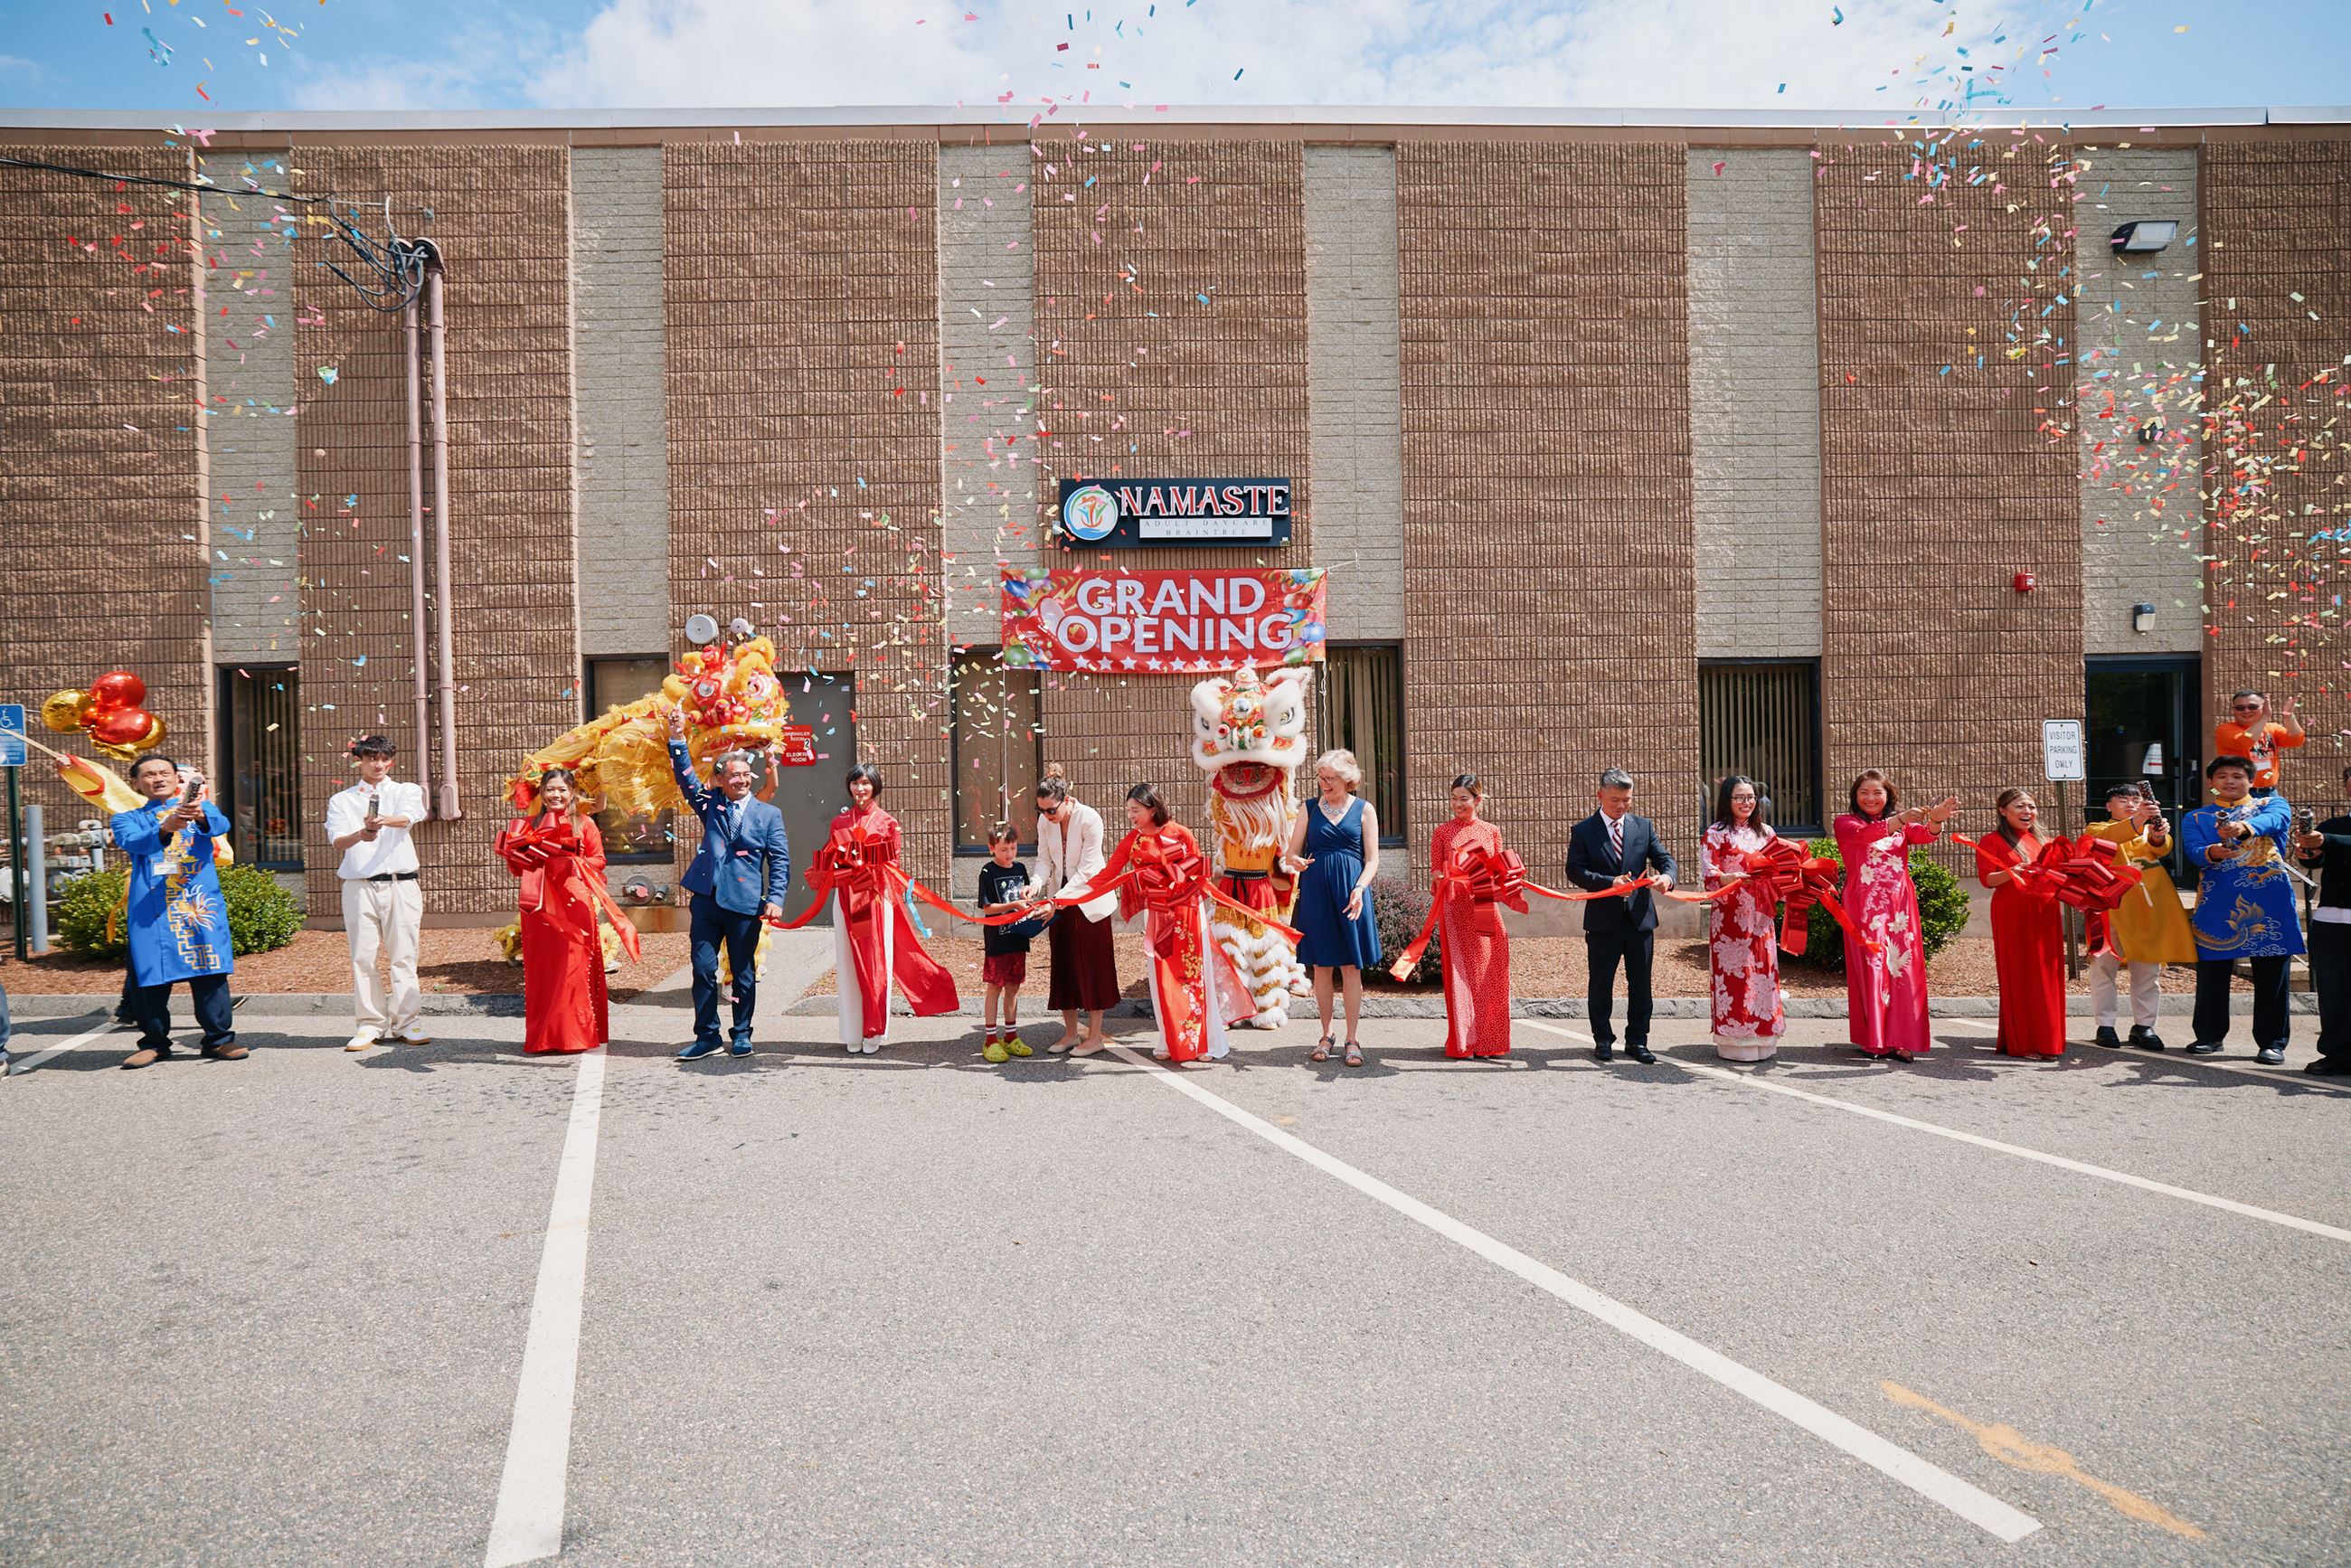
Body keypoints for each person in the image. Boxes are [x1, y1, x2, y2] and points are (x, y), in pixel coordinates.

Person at [1056, 783, 1261, 1064]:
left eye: (1135, 810)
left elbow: (1201, 872)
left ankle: (1204, 1043)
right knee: (1163, 979)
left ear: (1153, 808)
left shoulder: (1180, 833)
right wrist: (1069, 897)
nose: (1131, 815)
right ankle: (1169, 1038)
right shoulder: (1132, 841)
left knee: (1192, 978)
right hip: (1157, 915)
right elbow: (1108, 875)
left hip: (1188, 912)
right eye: (1129, 810)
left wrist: (1181, 885)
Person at [805, 762, 957, 1054]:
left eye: (865, 783)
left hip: (875, 899)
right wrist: (838, 870)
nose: (860, 789)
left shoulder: (888, 823)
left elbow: (893, 865)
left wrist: (869, 873)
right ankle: (852, 1030)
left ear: (875, 786)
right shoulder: (839, 824)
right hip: (847, 900)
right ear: (849, 787)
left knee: (877, 963)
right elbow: (829, 860)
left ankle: (875, 1029)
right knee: (848, 964)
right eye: (855, 783)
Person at [666, 706, 791, 1061]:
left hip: (746, 903)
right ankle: (707, 1036)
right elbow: (686, 777)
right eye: (733, 775)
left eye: (745, 774)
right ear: (721, 779)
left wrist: (776, 896)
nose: (741, 780)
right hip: (707, 900)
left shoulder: (769, 815)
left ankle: (742, 1034)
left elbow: (779, 860)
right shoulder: (710, 804)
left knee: (742, 973)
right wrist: (677, 737)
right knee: (704, 969)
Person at [111, 753, 247, 1069]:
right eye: (148, 775)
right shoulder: (126, 818)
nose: (157, 778)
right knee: (151, 976)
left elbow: (220, 826)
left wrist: (198, 817)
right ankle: (154, 1043)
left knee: (210, 972)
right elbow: (136, 842)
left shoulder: (201, 807)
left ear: (176, 779)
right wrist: (165, 827)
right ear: (136, 783)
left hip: (198, 904)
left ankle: (219, 1040)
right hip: (152, 911)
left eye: (164, 773)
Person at [2183, 756, 2303, 1063]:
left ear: (2251, 781)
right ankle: (2209, 1036)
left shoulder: (2272, 805)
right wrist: (2212, 851)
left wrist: (2243, 826)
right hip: (2217, 901)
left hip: (2269, 902)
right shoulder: (2196, 817)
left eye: (2238, 776)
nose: (2230, 781)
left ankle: (2272, 1041)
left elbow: (2273, 823)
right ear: (2211, 782)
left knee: (2272, 972)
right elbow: (2194, 850)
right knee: (2212, 972)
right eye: (2222, 776)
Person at [1835, 770, 1959, 1063]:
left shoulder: (1902, 827)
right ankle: (1874, 1039)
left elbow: (1925, 835)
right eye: (1864, 792)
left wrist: (1936, 819)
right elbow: (1866, 836)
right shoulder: (1846, 823)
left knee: (1902, 968)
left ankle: (1901, 1038)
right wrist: (1901, 820)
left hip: (1899, 905)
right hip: (1865, 904)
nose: (1870, 798)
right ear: (1855, 796)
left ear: (1888, 795)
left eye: (1877, 792)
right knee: (1874, 966)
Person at [1564, 767, 1678, 1065]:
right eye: (1615, 800)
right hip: (1603, 920)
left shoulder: (1643, 827)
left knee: (1641, 983)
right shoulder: (1584, 831)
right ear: (1600, 795)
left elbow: (1664, 858)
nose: (1621, 806)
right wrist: (1608, 882)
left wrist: (1667, 877)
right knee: (1601, 982)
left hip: (1640, 919)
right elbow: (1574, 870)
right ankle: (1603, 1039)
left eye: (1627, 800)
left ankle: (1637, 1040)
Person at [497, 769, 614, 1056]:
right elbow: (516, 869)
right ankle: (544, 1037)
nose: (556, 795)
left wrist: (576, 862)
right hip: (537, 908)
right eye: (550, 789)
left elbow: (599, 859)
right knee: (542, 973)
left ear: (572, 793)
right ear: (542, 793)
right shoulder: (525, 826)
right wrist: (515, 853)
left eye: (562, 789)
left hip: (574, 903)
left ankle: (574, 1035)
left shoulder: (584, 823)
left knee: (572, 970)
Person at [325, 734, 430, 1053]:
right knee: (363, 957)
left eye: (384, 758)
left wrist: (380, 821)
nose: (379, 764)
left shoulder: (405, 791)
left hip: (402, 883)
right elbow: (338, 841)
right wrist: (362, 833)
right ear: (360, 760)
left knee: (404, 956)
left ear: (392, 760)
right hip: (359, 886)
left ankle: (407, 1022)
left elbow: (412, 816)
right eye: (372, 758)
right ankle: (369, 1024)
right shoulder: (341, 800)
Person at [1280, 748, 1383, 1068]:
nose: (1323, 783)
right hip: (1316, 894)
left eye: (1330, 778)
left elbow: (1372, 859)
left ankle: (1353, 1039)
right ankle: (1326, 1034)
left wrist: (1360, 888)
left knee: (1351, 967)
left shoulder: (1365, 810)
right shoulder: (1308, 809)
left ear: (1347, 779)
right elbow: (1290, 853)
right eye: (1320, 777)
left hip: (1352, 895)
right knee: (1321, 967)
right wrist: (1293, 860)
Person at [2080, 783, 2196, 1050]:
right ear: (2109, 806)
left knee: (2147, 971)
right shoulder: (2096, 828)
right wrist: (2139, 819)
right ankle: (2105, 1024)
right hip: (2111, 909)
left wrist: (2156, 833)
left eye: (2136, 799)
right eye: (2123, 800)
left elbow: (2162, 847)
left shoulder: (2147, 831)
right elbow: (2108, 838)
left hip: (2148, 909)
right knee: (2103, 968)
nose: (2131, 803)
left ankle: (2144, 1025)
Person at [1029, 764, 1119, 1057]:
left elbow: (1088, 870)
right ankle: (1070, 1033)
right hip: (1060, 899)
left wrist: (1057, 899)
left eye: (1051, 810)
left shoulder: (1090, 818)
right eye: (1041, 810)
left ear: (1066, 800)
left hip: (1090, 901)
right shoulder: (1046, 823)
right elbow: (1044, 860)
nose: (1047, 816)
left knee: (1093, 967)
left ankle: (1094, 1037)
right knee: (1064, 965)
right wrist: (1035, 884)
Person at [1426, 772, 1514, 1059]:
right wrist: (1444, 878)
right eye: (1453, 798)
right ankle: (1465, 1042)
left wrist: (1508, 881)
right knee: (1461, 975)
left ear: (1478, 800)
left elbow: (1499, 869)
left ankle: (1490, 1041)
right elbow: (1435, 873)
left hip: (1485, 906)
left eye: (1463, 799)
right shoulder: (1442, 832)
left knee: (1488, 974)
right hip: (1455, 909)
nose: (1457, 804)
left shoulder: (1491, 831)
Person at [1974, 788, 2066, 1059]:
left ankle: (2049, 1040)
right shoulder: (1992, 840)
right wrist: (2010, 872)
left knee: (2047, 974)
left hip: (2046, 912)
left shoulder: (2047, 841)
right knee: (2021, 974)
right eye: (2020, 806)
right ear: (2003, 810)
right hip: (2012, 912)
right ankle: (2023, 1042)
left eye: (2032, 807)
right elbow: (1986, 880)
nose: (2028, 812)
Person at [1701, 775, 1783, 1062]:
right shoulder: (1716, 833)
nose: (1746, 802)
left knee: (1762, 973)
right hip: (1730, 916)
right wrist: (1727, 877)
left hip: (1761, 914)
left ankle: (1764, 1036)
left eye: (1750, 797)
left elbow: (1780, 869)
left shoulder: (1767, 833)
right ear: (1727, 800)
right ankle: (1735, 1041)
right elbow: (1708, 875)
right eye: (1739, 797)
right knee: (1736, 976)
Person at [2295, 765, 2351, 1077]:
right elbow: (2318, 860)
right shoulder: (2334, 824)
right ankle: (2337, 1054)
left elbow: (2331, 843)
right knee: (2333, 991)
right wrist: (2308, 854)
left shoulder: (2330, 833)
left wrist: (2325, 840)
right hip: (2332, 919)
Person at [976, 823, 1038, 1064]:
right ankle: (990, 1039)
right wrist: (1013, 906)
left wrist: (1029, 901)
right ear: (992, 848)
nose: (1009, 853)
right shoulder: (987, 871)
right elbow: (988, 908)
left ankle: (1011, 1036)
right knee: (995, 987)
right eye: (1003, 849)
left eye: (1013, 848)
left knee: (1013, 987)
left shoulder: (1021, 869)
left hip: (1018, 936)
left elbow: (1023, 898)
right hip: (997, 938)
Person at [2213, 690, 2304, 797]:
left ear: (2263, 707)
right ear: (2234, 710)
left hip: (2269, 792)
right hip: (2239, 793)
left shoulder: (2272, 728)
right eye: (2240, 708)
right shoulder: (2224, 729)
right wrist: (2265, 716)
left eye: (2252, 707)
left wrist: (2289, 716)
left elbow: (2296, 740)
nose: (2246, 711)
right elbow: (2244, 742)